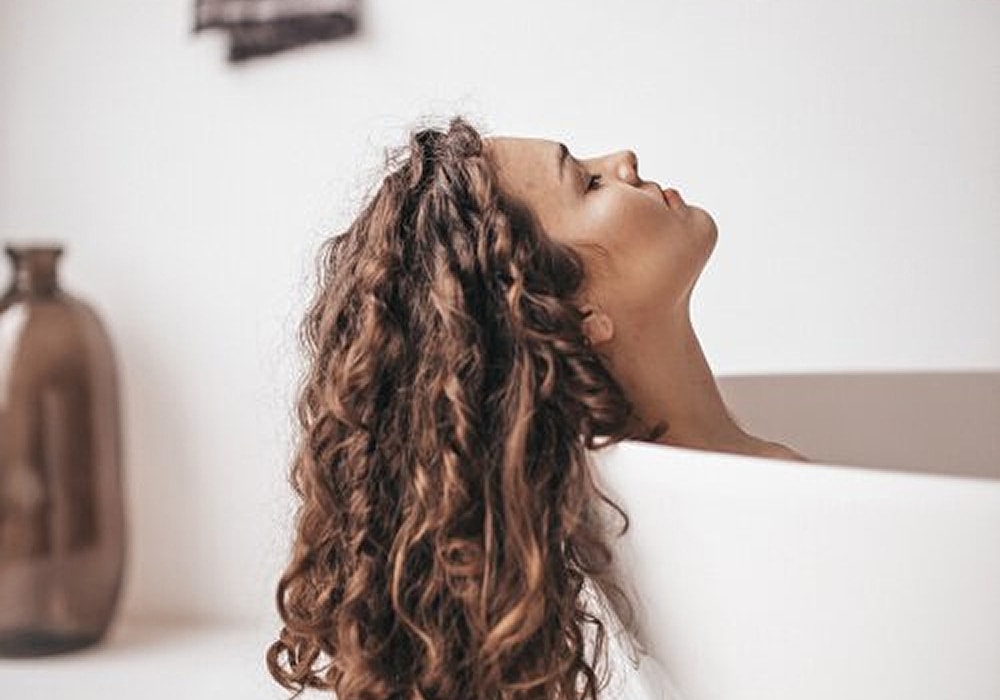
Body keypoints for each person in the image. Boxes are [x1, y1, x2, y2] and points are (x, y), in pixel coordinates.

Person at [265, 115, 807, 700]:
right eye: (590, 184)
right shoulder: (758, 504)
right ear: (573, 315)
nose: (623, 158)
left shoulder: (714, 486)